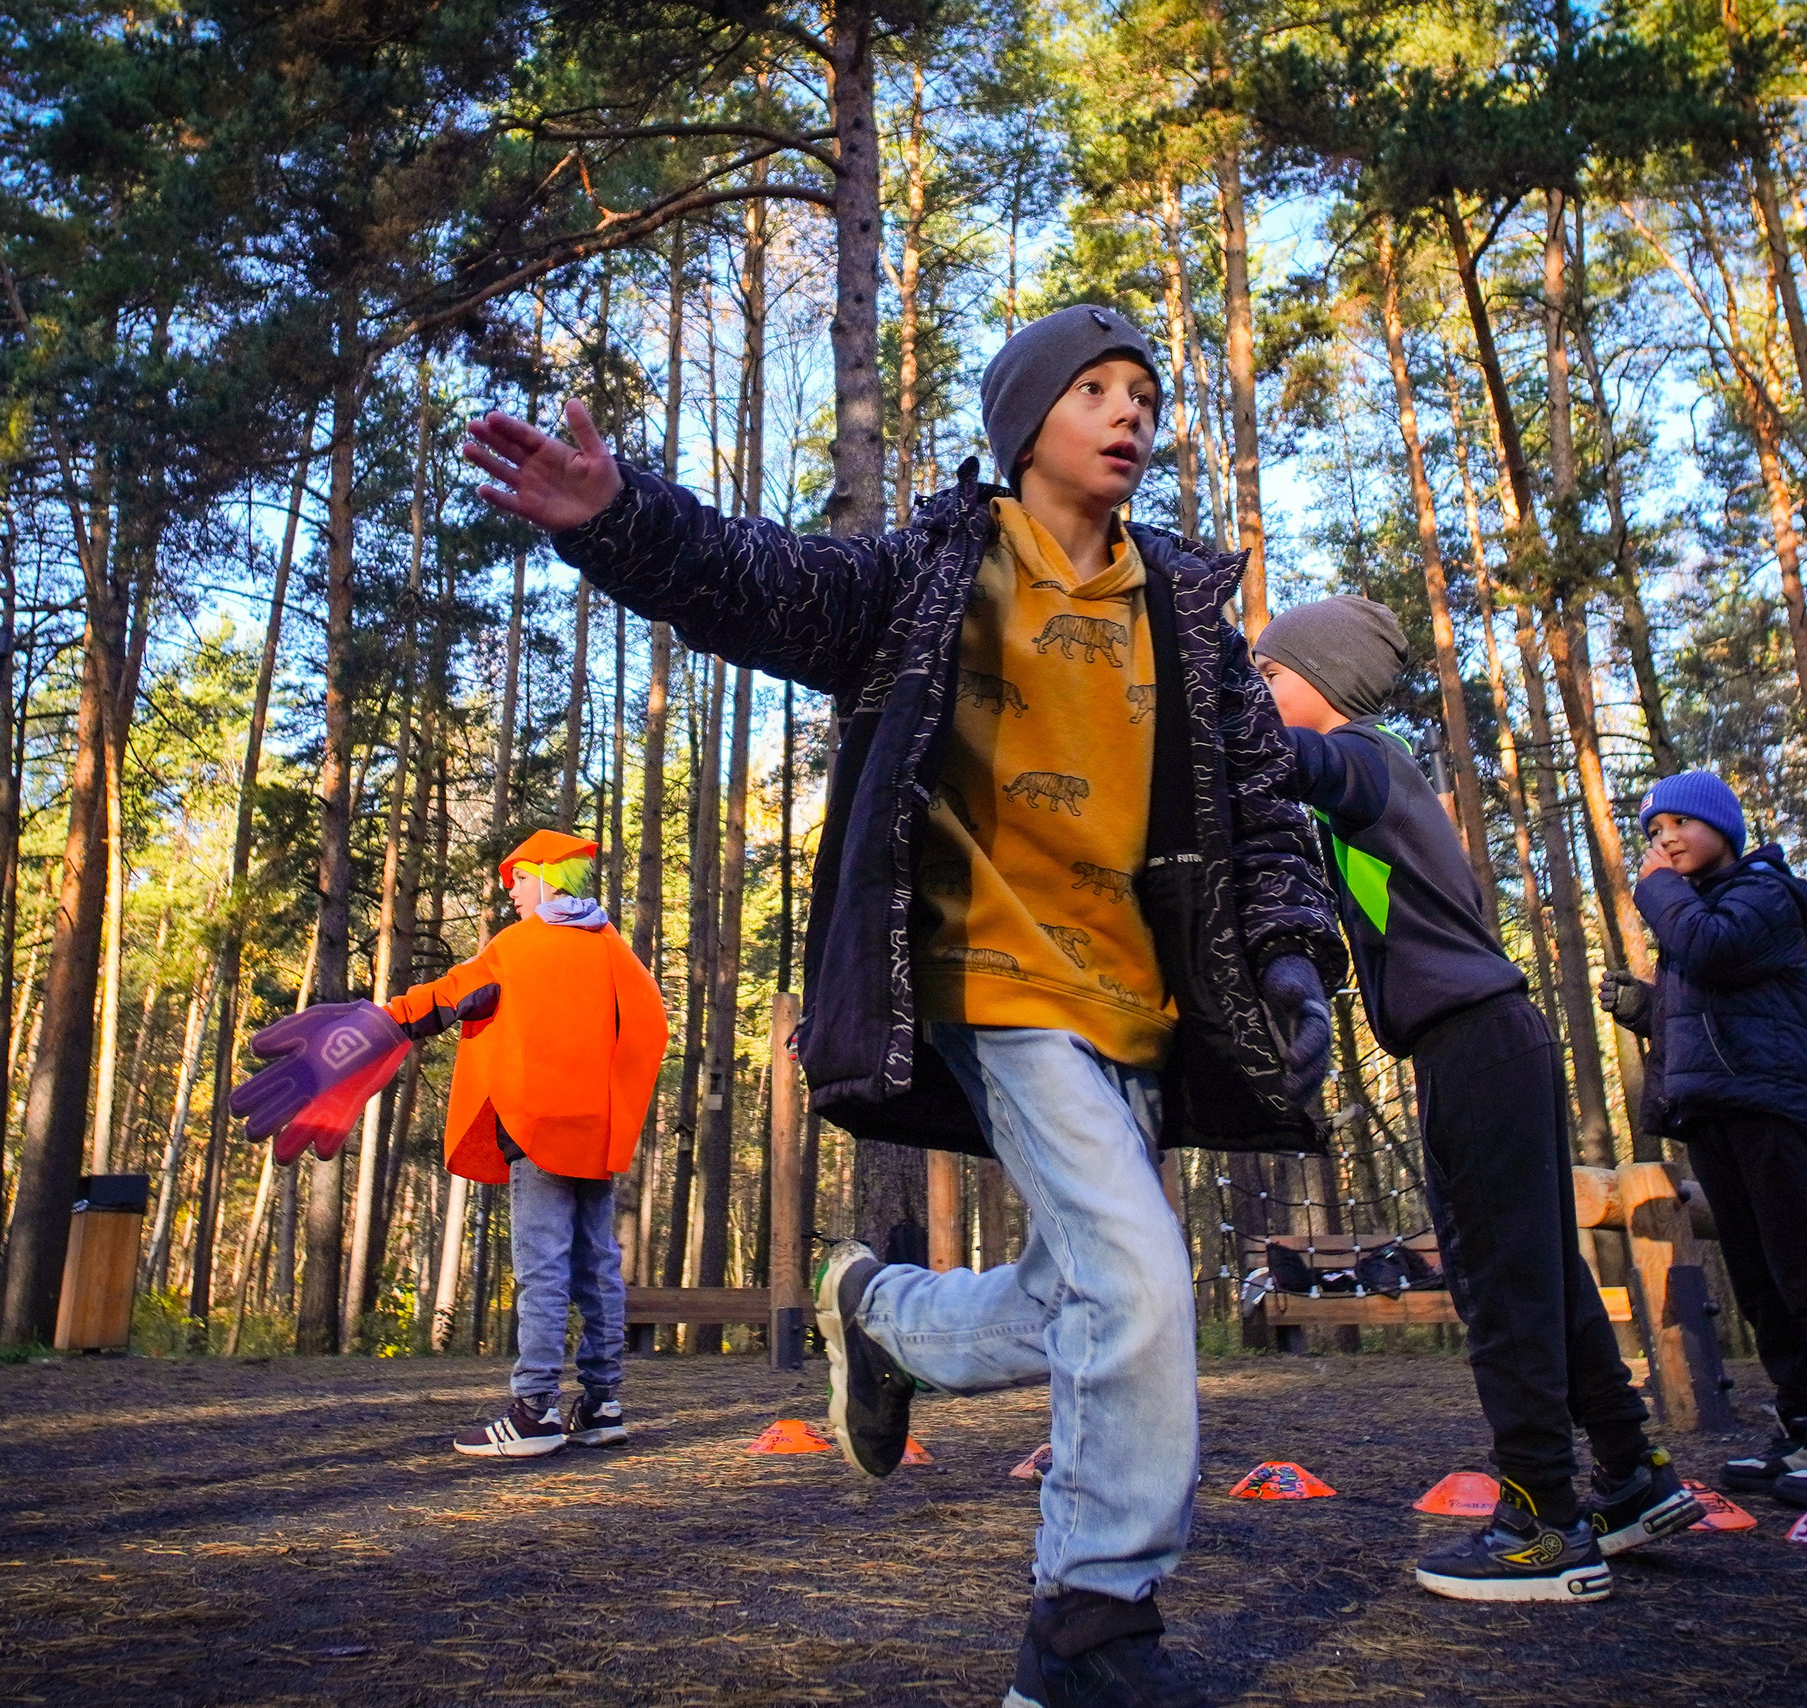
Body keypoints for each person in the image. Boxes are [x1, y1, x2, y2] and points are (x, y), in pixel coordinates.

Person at [462, 305, 1343, 1708]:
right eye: (1095, 389)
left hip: (1137, 998)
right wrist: (618, 519)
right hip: (988, 974)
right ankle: (1090, 1631)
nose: (1130, 411)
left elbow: (1260, 801)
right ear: (1025, 424)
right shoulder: (938, 571)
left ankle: (878, 1313)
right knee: (1138, 1280)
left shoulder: (1183, 608)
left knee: (1076, 1293)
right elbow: (762, 582)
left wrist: (1292, 959)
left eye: (1143, 391)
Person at [1252, 596, 1699, 1605]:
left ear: (1325, 683)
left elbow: (1293, 761)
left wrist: (1206, 717)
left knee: (1499, 1284)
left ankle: (1543, 1522)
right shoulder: (1367, 798)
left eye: (1269, 677)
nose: (1258, 694)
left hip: (1479, 1046)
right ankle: (1632, 1472)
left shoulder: (1363, 762)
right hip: (1488, 1041)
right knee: (1538, 1271)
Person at [1600, 771, 1807, 1507]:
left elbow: (1714, 952)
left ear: (1723, 827)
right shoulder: (1701, 909)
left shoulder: (1764, 891)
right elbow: (1715, 1003)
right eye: (1653, 832)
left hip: (1769, 1104)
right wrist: (1648, 1009)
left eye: (1679, 823)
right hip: (1715, 1107)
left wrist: (1657, 891)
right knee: (1758, 1280)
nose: (1665, 841)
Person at [382, 829, 669, 1459]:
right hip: (597, 1135)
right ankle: (601, 1406)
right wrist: (615, 1101)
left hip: (537, 1130)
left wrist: (383, 1019)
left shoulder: (518, 945)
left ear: (547, 878)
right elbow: (652, 1025)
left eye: (519, 878)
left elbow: (450, 995)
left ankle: (535, 1410)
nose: (510, 890)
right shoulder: (614, 948)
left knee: (543, 1270)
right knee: (597, 1266)